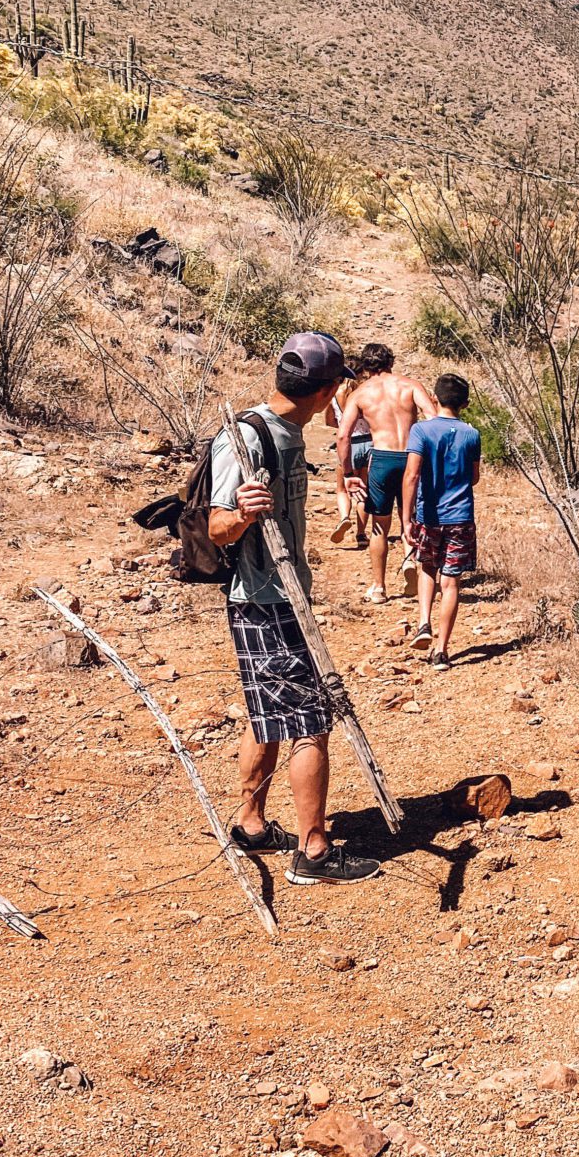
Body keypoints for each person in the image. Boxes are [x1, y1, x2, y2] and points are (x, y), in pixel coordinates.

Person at [208, 331, 379, 884]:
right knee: (311, 723)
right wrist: (243, 513)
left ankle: (251, 825)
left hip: (276, 598)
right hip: (267, 602)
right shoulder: (248, 437)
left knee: (266, 714)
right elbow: (217, 527)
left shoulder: (286, 433)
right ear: (329, 390)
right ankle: (314, 850)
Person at [335, 342, 439, 605]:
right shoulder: (411, 385)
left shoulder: (360, 394)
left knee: (379, 526)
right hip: (413, 457)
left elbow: (343, 435)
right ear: (391, 362)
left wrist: (348, 473)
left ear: (366, 366)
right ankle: (410, 563)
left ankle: (379, 587)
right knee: (412, 517)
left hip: (382, 458)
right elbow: (434, 418)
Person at [402, 373, 482, 666]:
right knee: (451, 583)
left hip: (428, 514)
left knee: (427, 567)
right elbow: (473, 477)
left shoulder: (421, 431)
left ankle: (424, 621)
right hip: (460, 516)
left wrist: (406, 519)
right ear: (466, 404)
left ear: (434, 399)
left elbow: (411, 475)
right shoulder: (472, 434)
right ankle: (442, 650)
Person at [326, 362, 374, 549]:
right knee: (364, 491)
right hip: (369, 442)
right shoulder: (365, 393)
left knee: (342, 488)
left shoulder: (334, 394)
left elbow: (330, 421)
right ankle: (361, 534)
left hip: (348, 443)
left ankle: (344, 517)